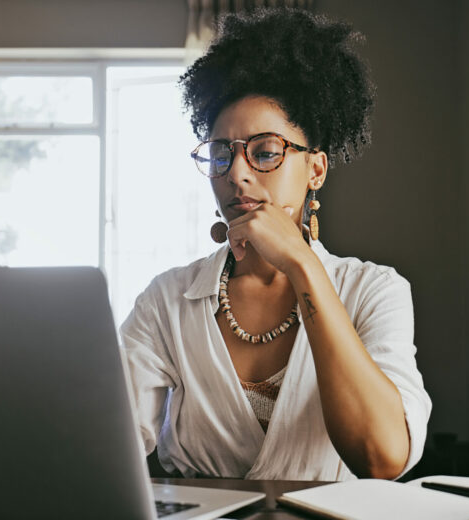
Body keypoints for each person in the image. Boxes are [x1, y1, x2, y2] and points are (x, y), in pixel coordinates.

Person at [120, 7, 431, 481]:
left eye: (265, 152)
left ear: (316, 170)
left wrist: (302, 264)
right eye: (221, 155)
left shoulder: (375, 291)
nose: (236, 174)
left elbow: (381, 457)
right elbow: (105, 444)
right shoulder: (167, 301)